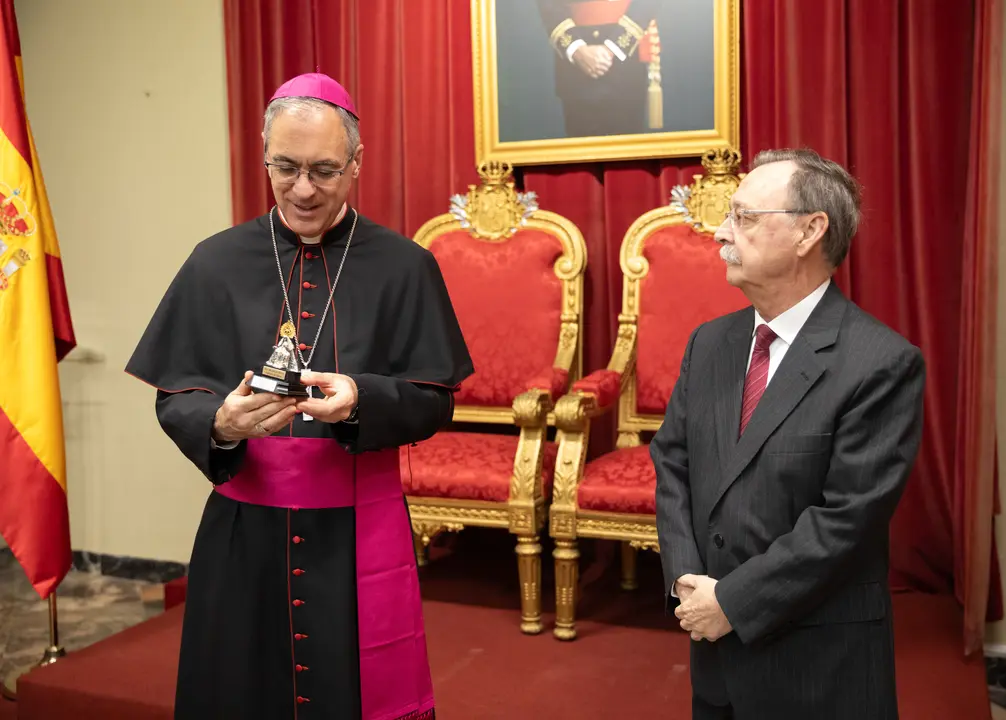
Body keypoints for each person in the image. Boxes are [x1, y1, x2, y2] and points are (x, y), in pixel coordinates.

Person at [126, 72, 473, 720]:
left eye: (324, 170)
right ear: (264, 156)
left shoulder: (405, 266)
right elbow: (175, 397)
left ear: (356, 164)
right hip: (243, 536)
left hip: (357, 533)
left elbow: (436, 399)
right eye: (285, 167)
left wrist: (362, 399)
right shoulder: (214, 262)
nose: (304, 189)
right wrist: (222, 423)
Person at [652, 148, 926, 719]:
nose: (722, 234)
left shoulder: (881, 363)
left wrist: (731, 601)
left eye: (744, 218)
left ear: (810, 231)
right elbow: (672, 462)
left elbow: (845, 522)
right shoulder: (709, 343)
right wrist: (685, 579)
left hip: (816, 661)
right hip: (714, 655)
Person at [536, 0, 660, 137]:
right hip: (576, 69)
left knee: (627, 151)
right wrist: (576, 49)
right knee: (583, 152)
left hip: (627, 65)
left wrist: (613, 48)